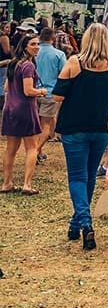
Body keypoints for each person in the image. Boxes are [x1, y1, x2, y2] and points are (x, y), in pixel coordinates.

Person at [54, 23, 108, 248]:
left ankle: (84, 221)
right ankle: (76, 224)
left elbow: (58, 96)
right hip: (101, 127)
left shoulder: (75, 63)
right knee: (90, 175)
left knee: (77, 177)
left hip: (74, 126)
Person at [2, 31, 46, 195]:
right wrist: (41, 91)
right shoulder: (28, 66)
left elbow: (6, 88)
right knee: (32, 147)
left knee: (10, 149)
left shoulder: (13, 64)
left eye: (37, 44)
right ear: (25, 47)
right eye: (33, 44)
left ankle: (7, 183)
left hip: (10, 109)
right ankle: (27, 184)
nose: (36, 47)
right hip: (25, 109)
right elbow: (28, 91)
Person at [34, 26, 66, 161]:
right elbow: (64, 74)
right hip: (50, 93)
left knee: (36, 125)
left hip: (32, 92)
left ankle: (38, 151)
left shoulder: (34, 51)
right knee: (45, 125)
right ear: (53, 39)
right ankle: (34, 152)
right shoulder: (59, 54)